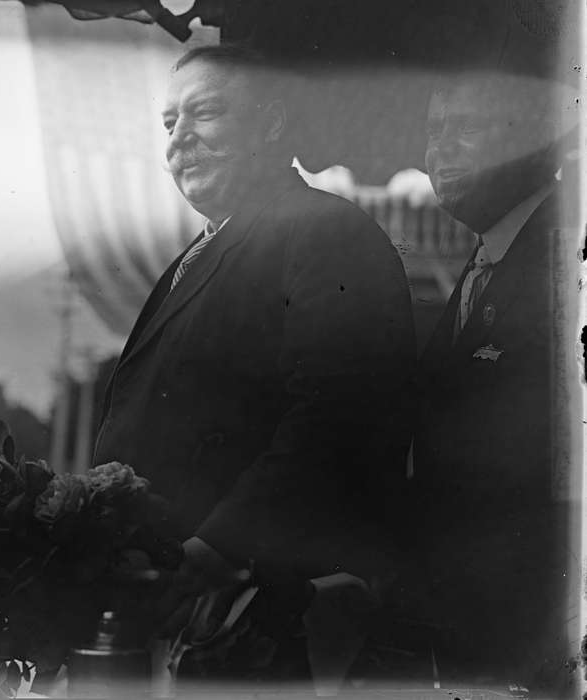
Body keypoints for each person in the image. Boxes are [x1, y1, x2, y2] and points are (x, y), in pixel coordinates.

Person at [92, 44, 416, 681]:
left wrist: (212, 551)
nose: (179, 139)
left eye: (204, 114)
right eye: (168, 123)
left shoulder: (326, 232)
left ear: (271, 125)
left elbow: (334, 420)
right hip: (172, 610)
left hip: (254, 622)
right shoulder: (197, 254)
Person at [405, 70, 578, 691]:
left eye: (466, 129)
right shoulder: (487, 257)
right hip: (468, 626)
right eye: (435, 131)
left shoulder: (570, 254)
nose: (439, 151)